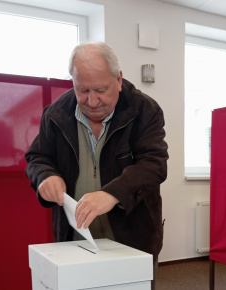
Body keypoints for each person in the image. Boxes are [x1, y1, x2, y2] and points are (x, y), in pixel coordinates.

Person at [25, 42, 168, 288]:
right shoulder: (55, 114)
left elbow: (154, 164)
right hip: (74, 242)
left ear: (119, 79)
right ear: (73, 82)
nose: (92, 102)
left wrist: (112, 194)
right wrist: (45, 176)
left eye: (101, 90)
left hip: (132, 240)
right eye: (82, 90)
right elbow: (37, 157)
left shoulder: (144, 110)